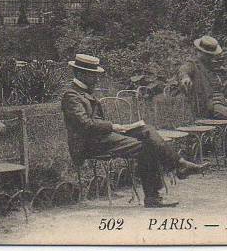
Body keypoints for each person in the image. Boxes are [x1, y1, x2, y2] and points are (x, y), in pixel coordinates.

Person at [61, 54, 207, 208]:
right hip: (88, 144)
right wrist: (112, 126)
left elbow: (93, 122)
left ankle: (180, 164)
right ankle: (153, 196)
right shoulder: (71, 96)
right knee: (147, 146)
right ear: (81, 74)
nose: (97, 78)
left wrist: (116, 127)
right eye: (93, 75)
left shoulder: (83, 92)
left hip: (101, 137)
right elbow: (84, 125)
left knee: (146, 130)